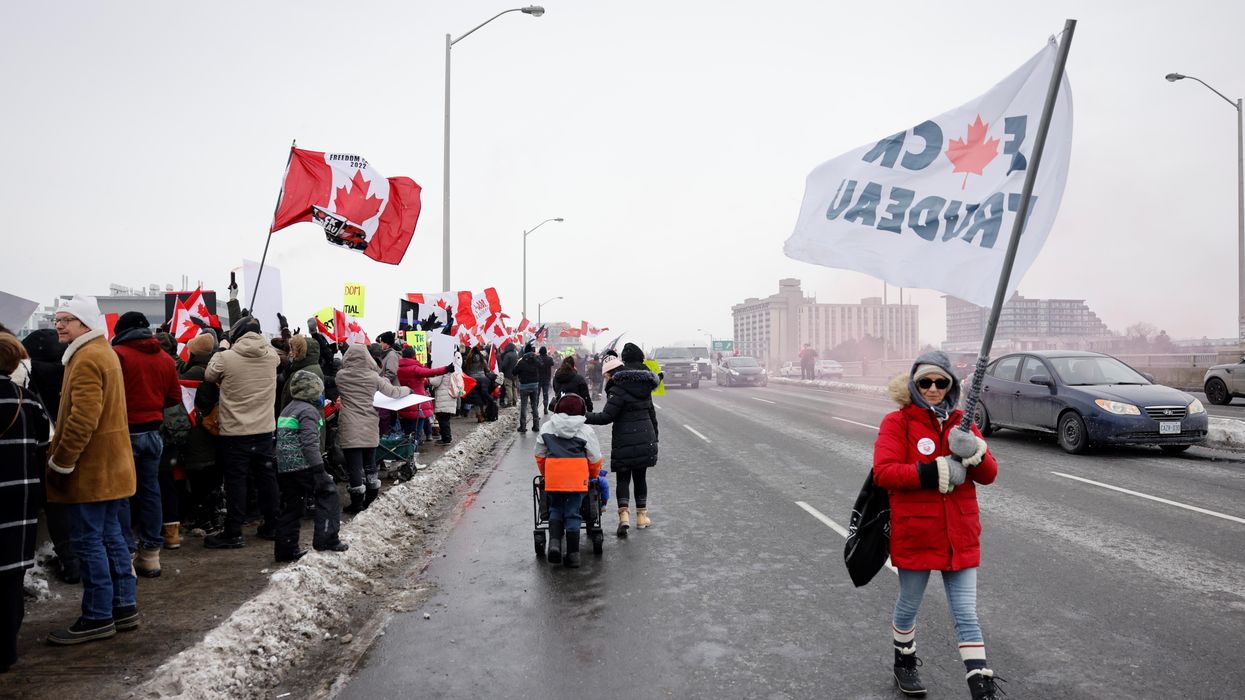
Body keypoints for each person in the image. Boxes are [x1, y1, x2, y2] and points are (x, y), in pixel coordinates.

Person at [872, 351, 1000, 700]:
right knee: (909, 603)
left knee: (966, 614)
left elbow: (989, 475)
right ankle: (904, 661)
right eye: (925, 382)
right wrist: (934, 471)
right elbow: (884, 472)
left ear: (950, 385)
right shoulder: (898, 422)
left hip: (960, 534)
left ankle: (981, 686)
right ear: (914, 385)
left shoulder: (962, 422)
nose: (932, 388)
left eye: (940, 382)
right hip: (916, 533)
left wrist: (974, 451)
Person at [45, 296, 139, 645]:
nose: (58, 325)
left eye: (66, 319)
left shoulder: (85, 358)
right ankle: (123, 606)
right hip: (111, 466)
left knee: (88, 541)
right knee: (111, 536)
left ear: (83, 322)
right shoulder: (102, 352)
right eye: (57, 319)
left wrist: (61, 461)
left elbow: (82, 419)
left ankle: (97, 615)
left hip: (92, 469)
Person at [110, 311, 182, 577]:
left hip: (124, 431)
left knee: (121, 494)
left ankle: (126, 554)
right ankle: (151, 555)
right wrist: (153, 403)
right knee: (150, 490)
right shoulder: (164, 358)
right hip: (153, 433)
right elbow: (174, 397)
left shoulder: (117, 355)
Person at [202, 316, 281, 549]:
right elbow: (273, 353)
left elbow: (209, 375)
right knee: (267, 479)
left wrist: (222, 347)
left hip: (235, 432)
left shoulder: (226, 358)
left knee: (236, 482)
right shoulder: (271, 358)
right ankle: (273, 524)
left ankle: (233, 531)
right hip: (264, 430)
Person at [1, 335, 50, 671]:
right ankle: (6, 650)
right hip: (19, 496)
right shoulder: (27, 400)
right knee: (11, 575)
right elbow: (44, 440)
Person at [585, 343, 660, 537]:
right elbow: (652, 413)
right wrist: (655, 437)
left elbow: (606, 417)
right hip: (645, 436)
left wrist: (582, 416)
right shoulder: (645, 387)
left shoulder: (618, 388)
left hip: (623, 439)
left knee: (623, 478)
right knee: (640, 477)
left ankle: (624, 517)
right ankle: (642, 518)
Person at [21, 329, 78, 583]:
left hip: (46, 447)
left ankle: (70, 562)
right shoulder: (72, 370)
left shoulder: (30, 376)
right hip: (75, 443)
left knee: (55, 505)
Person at [274, 370, 346, 561]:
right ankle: (327, 539)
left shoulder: (288, 408)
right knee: (328, 493)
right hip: (303, 465)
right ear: (312, 391)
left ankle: (286, 550)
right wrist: (319, 470)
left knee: (292, 506)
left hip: (285, 466)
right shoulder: (308, 411)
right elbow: (309, 443)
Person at [335, 343, 412, 513]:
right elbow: (393, 392)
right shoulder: (374, 377)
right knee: (370, 463)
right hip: (369, 425)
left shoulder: (340, 376)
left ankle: (356, 503)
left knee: (354, 467)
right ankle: (371, 498)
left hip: (349, 425)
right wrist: (408, 390)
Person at [534, 393, 603, 568]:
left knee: (555, 508)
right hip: (577, 478)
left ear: (558, 408)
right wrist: (592, 475)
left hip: (554, 477)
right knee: (573, 511)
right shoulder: (585, 430)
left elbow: (540, 455)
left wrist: (545, 473)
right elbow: (595, 459)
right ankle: (573, 555)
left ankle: (554, 545)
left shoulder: (547, 427)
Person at [396, 346, 452, 441]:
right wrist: (446, 369)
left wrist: (426, 368)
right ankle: (414, 447)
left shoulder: (399, 369)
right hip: (418, 404)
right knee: (416, 434)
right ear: (414, 356)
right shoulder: (415, 368)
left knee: (407, 432)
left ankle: (407, 448)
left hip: (405, 402)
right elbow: (431, 372)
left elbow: (417, 378)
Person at [513, 344, 542, 433]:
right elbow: (541, 365)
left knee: (524, 406)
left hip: (524, 386)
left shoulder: (521, 361)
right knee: (534, 405)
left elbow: (514, 372)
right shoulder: (536, 360)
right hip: (534, 385)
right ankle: (536, 426)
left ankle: (523, 426)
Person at [425, 368, 459, 446]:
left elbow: (435, 382)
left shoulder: (443, 373)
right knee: (445, 420)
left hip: (443, 400)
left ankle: (446, 439)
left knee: (443, 420)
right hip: (450, 399)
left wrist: (429, 377)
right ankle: (446, 438)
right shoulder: (453, 373)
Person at [497, 341, 519, 408]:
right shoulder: (516, 354)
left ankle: (510, 402)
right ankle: (515, 401)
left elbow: (504, 365)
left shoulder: (507, 355)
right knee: (514, 388)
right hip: (515, 374)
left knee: (509, 388)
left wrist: (501, 369)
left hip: (508, 374)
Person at [536, 347, 555, 414]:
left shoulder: (537, 358)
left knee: (537, 395)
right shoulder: (549, 359)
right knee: (545, 394)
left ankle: (535, 409)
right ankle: (545, 408)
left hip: (538, 379)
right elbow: (552, 364)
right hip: (546, 379)